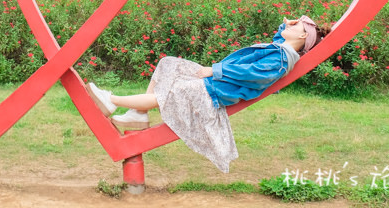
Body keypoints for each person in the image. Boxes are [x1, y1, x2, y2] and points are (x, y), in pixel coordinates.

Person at [86, 16, 331, 172]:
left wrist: (213, 70)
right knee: (169, 64)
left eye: (296, 25)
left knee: (168, 93)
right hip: (216, 83)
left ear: (301, 36)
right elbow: (279, 38)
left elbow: (252, 74)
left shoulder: (281, 58)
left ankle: (111, 101)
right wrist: (286, 25)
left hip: (214, 89)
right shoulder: (282, 50)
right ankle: (138, 113)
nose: (291, 24)